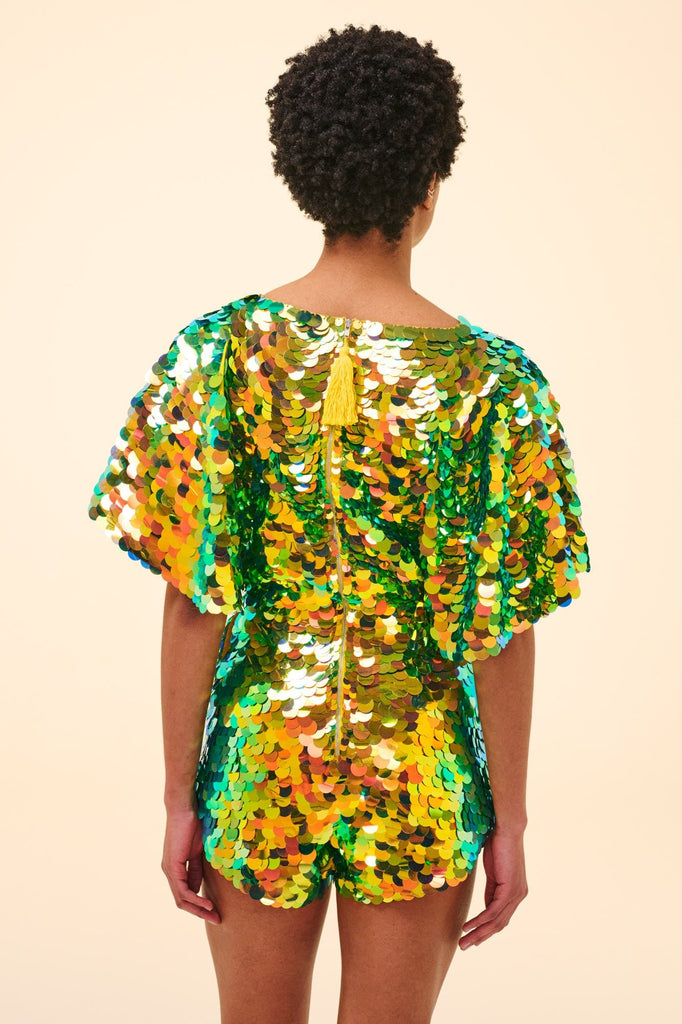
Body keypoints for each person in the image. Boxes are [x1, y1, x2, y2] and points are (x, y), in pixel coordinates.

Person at [88, 22, 591, 1024]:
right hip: (420, 776)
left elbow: (195, 604)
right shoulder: (496, 385)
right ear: (430, 180)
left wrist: (180, 797)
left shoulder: (218, 355)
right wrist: (511, 819)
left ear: (302, 173)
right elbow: (499, 630)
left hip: (260, 761)